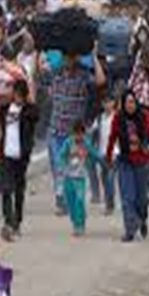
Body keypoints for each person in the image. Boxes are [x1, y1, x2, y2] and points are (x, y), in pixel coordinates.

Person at [44, 50, 106, 216]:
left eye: (71, 56)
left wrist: (93, 56)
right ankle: (61, 199)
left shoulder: (83, 76)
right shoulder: (56, 74)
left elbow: (101, 80)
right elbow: (37, 72)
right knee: (58, 165)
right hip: (56, 129)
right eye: (66, 56)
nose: (68, 60)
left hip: (74, 134)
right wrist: (38, 52)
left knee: (74, 167)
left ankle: (70, 197)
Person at [105, 92, 149, 242]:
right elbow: (112, 137)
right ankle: (130, 229)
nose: (130, 105)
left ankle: (142, 219)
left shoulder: (144, 116)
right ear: (123, 104)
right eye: (127, 102)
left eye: (132, 102)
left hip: (143, 162)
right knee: (127, 197)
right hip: (125, 161)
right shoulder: (118, 118)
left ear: (136, 103)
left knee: (141, 199)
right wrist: (108, 156)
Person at [0, 79, 38, 241]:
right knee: (6, 188)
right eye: (16, 95)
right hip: (6, 154)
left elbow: (36, 115)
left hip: (21, 156)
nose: (18, 98)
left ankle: (17, 221)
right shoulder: (5, 109)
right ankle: (8, 221)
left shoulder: (29, 111)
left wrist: (31, 98)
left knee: (19, 189)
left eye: (21, 96)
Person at [57, 121, 104, 237]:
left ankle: (80, 224)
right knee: (71, 203)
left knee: (79, 200)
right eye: (76, 134)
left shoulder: (86, 143)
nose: (78, 136)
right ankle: (75, 222)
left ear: (83, 134)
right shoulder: (68, 143)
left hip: (80, 177)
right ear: (72, 133)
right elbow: (61, 156)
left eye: (80, 134)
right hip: (68, 177)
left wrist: (103, 161)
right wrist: (63, 167)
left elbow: (94, 153)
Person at [90, 95, 120, 216]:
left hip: (115, 153)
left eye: (109, 102)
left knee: (110, 178)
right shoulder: (99, 119)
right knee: (104, 178)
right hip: (102, 154)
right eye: (105, 102)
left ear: (114, 103)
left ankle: (110, 204)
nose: (107, 105)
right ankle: (109, 200)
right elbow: (92, 134)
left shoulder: (118, 117)